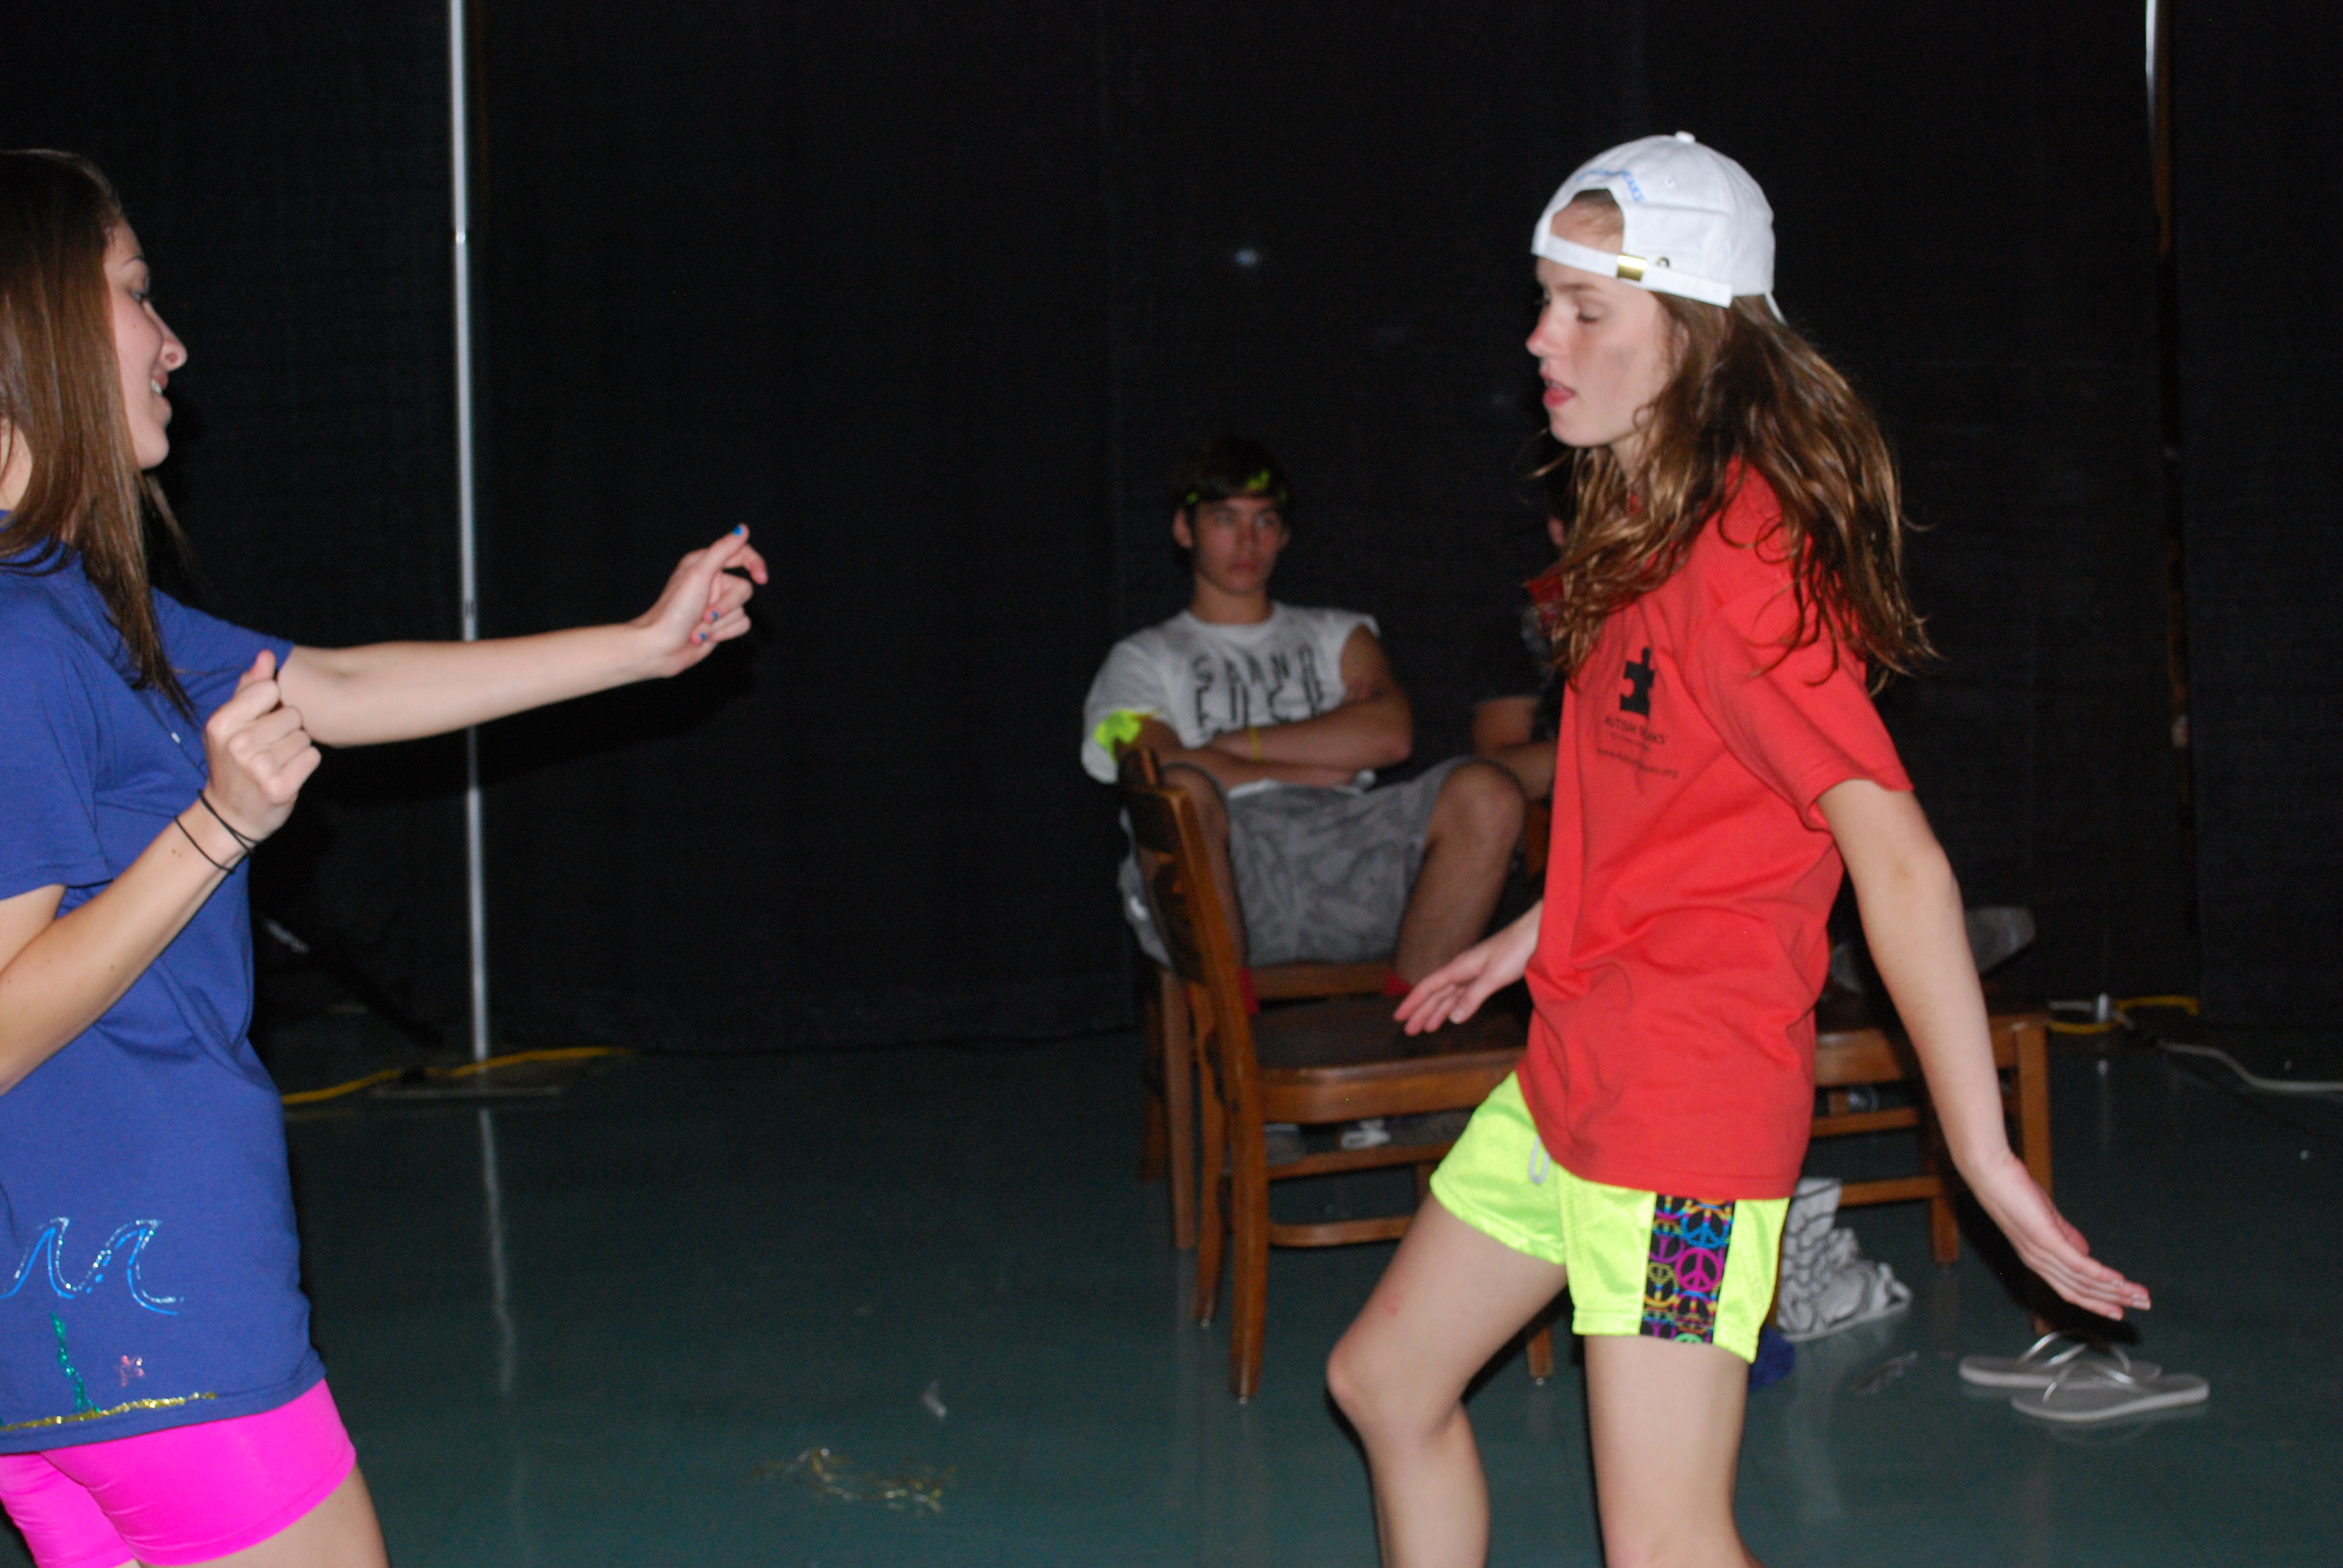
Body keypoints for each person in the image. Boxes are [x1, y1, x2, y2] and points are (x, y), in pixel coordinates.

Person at [1325, 133, 2149, 1567]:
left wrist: (1982, 1152)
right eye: (1542, 300)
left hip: (1686, 1144)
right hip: (1577, 1072)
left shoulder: (1749, 571)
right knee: (1385, 1383)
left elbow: (1899, 863)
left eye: (1584, 310)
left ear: (1694, 338)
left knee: (1664, 1541)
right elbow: (1659, 795)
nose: (1539, 339)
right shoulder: (1631, 515)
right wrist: (1535, 929)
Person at [0, 151, 766, 1568]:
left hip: (80, 1340)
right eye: (135, 293)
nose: (172, 342)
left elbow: (336, 684)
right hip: (155, 1320)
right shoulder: (20, 638)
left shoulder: (72, 601)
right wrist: (216, 828)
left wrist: (641, 647)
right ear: (37, 318)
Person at [1080, 437, 1522, 993]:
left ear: (1285, 534)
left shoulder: (1340, 633)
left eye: (1265, 521)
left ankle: (1416, 1017)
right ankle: (1231, 1032)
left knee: (1487, 791)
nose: (1248, 541)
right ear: (1184, 530)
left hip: (1349, 848)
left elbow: (1390, 736)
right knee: (1183, 791)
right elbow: (1158, 765)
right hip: (1230, 851)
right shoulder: (1141, 657)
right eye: (1225, 519)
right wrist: (1312, 763)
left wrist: (1231, 745)